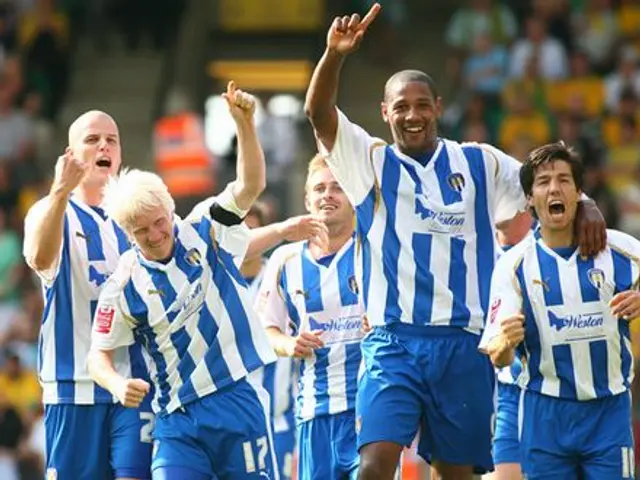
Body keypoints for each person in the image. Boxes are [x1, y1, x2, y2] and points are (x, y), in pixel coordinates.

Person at [303, 4, 607, 479]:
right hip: (392, 341)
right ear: (384, 113)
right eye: (400, 106)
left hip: (464, 344)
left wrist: (585, 201)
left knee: (456, 474)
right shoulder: (370, 164)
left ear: (439, 107)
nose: (413, 115)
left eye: (422, 104)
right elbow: (319, 114)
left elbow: (544, 187)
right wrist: (333, 55)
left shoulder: (479, 163)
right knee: (373, 465)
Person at [87, 82, 280, 479]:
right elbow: (97, 356)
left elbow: (250, 186)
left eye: (159, 222)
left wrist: (245, 125)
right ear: (128, 234)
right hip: (177, 420)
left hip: (236, 400)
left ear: (170, 207)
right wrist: (116, 384)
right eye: (142, 232)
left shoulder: (207, 228)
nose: (156, 235)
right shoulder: (123, 285)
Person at [480, 141, 640, 479]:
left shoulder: (620, 249)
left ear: (579, 192)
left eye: (564, 180)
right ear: (529, 199)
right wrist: (505, 344)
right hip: (544, 411)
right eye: (543, 181)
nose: (555, 188)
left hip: (608, 409)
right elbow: (497, 355)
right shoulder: (513, 266)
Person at [22, 109, 154, 480]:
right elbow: (39, 258)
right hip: (73, 385)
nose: (104, 146)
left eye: (112, 140)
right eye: (92, 139)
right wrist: (60, 191)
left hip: (134, 385)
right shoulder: (48, 211)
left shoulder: (139, 220)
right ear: (71, 155)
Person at [255, 154, 365, 480]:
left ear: (353, 197)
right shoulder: (284, 260)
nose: (327, 195)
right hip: (314, 412)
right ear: (307, 199)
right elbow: (267, 329)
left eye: (337, 188)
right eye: (319, 188)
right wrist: (290, 345)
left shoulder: (373, 251)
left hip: (369, 409)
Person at [242, 201, 297, 480]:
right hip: (235, 417)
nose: (247, 240)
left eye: (253, 231)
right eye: (240, 231)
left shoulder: (283, 275)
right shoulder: (216, 282)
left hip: (280, 419)